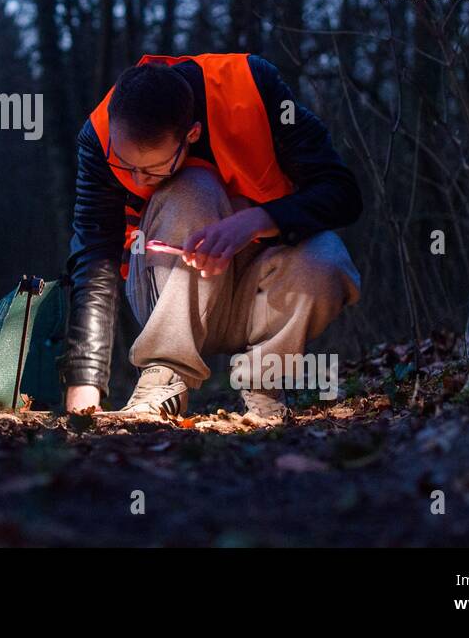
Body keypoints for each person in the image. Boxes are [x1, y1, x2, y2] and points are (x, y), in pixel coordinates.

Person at [61, 53, 363, 420]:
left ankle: (263, 383)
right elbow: (95, 259)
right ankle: (163, 378)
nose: (137, 181)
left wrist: (259, 220)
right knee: (192, 186)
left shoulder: (253, 88)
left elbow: (343, 192)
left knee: (327, 256)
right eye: (126, 164)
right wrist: (85, 380)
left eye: (153, 168)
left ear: (192, 134)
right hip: (165, 294)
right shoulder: (99, 135)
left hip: (261, 292)